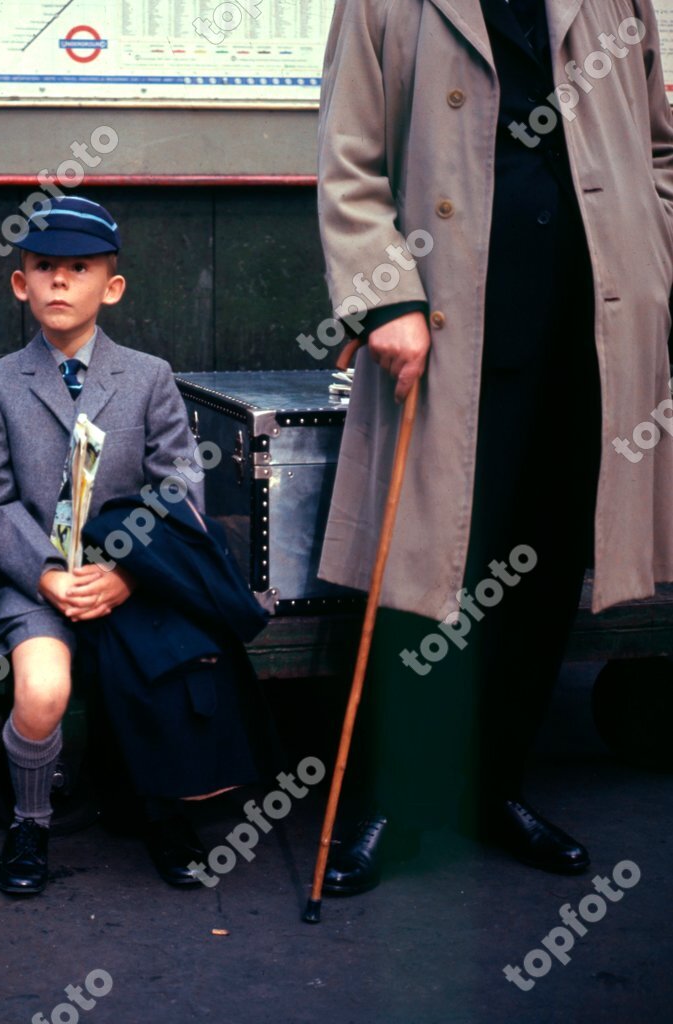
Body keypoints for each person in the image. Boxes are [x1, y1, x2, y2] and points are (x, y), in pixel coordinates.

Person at [313, 0, 673, 895]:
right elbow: (347, 163)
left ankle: (495, 786)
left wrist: (652, 253)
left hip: (592, 330)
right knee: (424, 571)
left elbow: (660, 147)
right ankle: (393, 798)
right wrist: (384, 295)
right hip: (448, 331)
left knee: (543, 565)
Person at [0, 195, 257, 895]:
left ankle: (163, 814)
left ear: (112, 286)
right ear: (20, 283)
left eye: (78, 267)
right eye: (43, 267)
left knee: (165, 672)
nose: (59, 281)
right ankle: (30, 823)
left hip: (133, 575)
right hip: (36, 580)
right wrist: (44, 576)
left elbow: (178, 487)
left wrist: (127, 571)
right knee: (42, 690)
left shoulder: (148, 375)